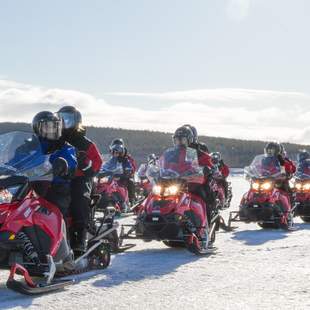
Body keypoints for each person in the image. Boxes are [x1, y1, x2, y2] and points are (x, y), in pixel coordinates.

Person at [57, 106, 103, 253]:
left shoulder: (85, 143)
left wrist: (86, 166)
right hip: (55, 178)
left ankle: (79, 238)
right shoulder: (53, 139)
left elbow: (97, 163)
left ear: (76, 121)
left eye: (67, 119)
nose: (63, 122)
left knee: (78, 199)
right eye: (60, 118)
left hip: (79, 178)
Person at [32, 111, 77, 220]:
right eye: (48, 127)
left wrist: (63, 167)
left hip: (56, 187)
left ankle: (62, 234)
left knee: (56, 212)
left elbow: (71, 162)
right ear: (38, 128)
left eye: (55, 126)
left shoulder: (64, 146)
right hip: (31, 184)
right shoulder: (31, 145)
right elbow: (17, 160)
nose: (52, 130)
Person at [172, 126, 216, 223]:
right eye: (177, 140)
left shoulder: (199, 153)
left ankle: (205, 223)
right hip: (176, 182)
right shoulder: (173, 154)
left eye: (182, 140)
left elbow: (208, 162)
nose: (179, 143)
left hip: (194, 183)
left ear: (190, 140)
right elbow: (164, 163)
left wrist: (206, 168)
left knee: (203, 195)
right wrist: (157, 170)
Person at [108, 138, 136, 208]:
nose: (116, 153)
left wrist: (129, 171)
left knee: (130, 182)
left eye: (117, 151)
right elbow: (106, 166)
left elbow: (131, 166)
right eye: (114, 150)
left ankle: (131, 200)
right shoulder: (112, 159)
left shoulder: (126, 158)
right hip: (113, 177)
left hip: (124, 177)